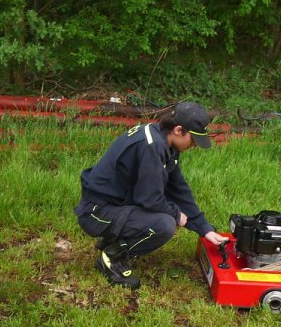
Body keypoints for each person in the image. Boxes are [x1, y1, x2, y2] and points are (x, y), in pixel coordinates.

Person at [74, 102, 228, 289]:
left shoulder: (163, 141)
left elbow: (177, 188)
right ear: (179, 130)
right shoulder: (152, 146)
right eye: (193, 140)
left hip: (115, 204)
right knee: (164, 224)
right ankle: (111, 257)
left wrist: (204, 228)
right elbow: (149, 199)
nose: (194, 146)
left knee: (167, 214)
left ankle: (115, 237)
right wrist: (177, 215)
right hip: (96, 212)